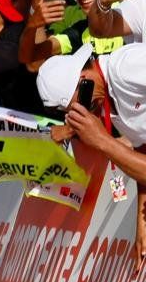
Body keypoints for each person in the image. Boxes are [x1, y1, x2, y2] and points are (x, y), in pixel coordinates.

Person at [37, 44, 146, 257]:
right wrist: (141, 224)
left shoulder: (126, 67)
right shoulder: (110, 102)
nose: (85, 111)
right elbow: (142, 154)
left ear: (84, 79)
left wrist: (102, 141)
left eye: (81, 103)